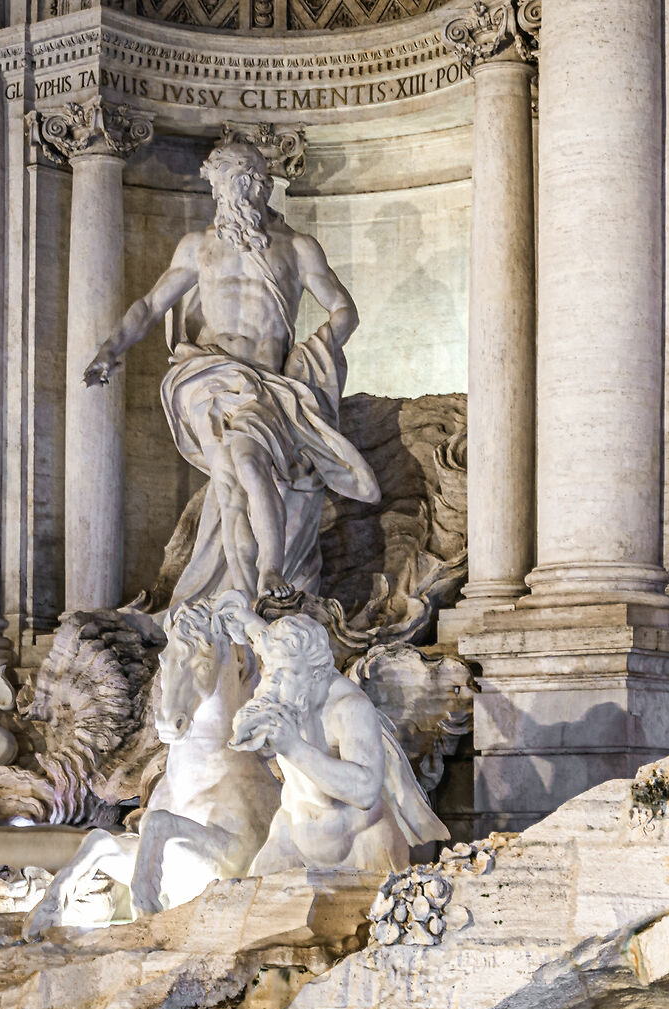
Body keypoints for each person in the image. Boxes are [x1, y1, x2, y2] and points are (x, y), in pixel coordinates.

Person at [83, 136, 379, 607]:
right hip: (208, 377)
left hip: (268, 383)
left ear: (262, 186)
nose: (236, 197)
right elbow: (150, 305)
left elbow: (344, 309)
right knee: (233, 476)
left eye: (246, 184)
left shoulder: (297, 248)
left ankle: (260, 578)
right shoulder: (197, 247)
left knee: (241, 469)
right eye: (227, 188)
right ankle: (254, 584)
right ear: (216, 191)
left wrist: (318, 348)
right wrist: (110, 347)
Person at [229, 611, 444, 875]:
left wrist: (294, 748)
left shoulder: (349, 708)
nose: (273, 683)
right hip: (291, 837)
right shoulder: (290, 693)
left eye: (283, 673)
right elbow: (271, 647)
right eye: (269, 671)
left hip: (361, 843)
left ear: (317, 674)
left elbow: (365, 791)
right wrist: (243, 616)